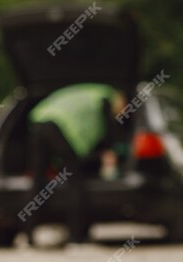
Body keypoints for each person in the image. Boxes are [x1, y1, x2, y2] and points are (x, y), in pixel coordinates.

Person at [28, 84, 127, 243]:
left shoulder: (87, 91)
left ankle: (29, 235)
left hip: (39, 120)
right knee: (76, 181)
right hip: (60, 126)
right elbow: (107, 131)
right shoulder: (104, 98)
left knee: (38, 179)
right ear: (120, 100)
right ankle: (76, 235)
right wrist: (109, 151)